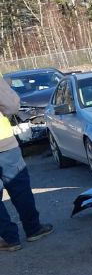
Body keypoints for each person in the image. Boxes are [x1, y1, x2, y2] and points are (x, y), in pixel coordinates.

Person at [0, 77, 52, 251]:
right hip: (4, 144)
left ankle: (9, 238)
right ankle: (33, 229)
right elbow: (11, 106)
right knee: (19, 189)